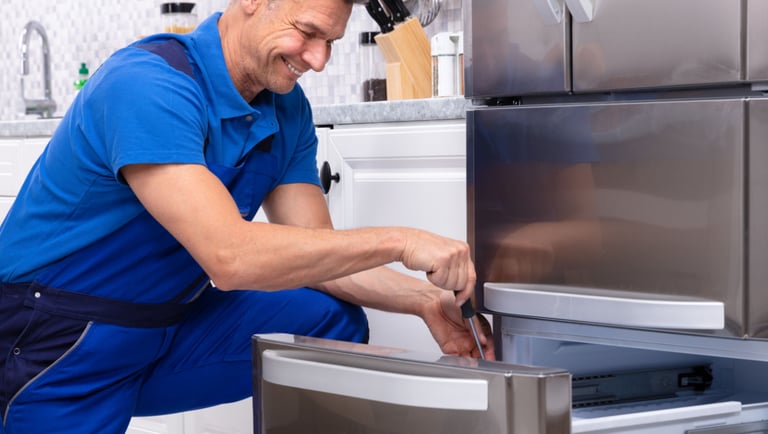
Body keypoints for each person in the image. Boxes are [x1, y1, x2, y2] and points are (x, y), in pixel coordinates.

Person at [0, 0, 493, 432]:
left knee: (328, 322)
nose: (319, 60)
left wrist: (424, 300)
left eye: (330, 41)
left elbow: (318, 253)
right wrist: (402, 241)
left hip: (167, 327)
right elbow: (230, 257)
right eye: (308, 32)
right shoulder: (146, 85)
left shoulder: (286, 110)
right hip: (53, 337)